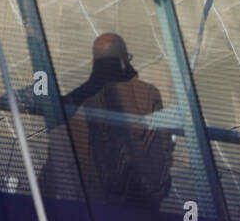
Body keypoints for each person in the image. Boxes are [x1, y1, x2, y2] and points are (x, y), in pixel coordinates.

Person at [63, 33, 173, 209]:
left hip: (97, 201)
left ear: (93, 63)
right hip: (141, 198)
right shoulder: (148, 93)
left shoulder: (76, 101)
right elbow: (163, 147)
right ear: (123, 60)